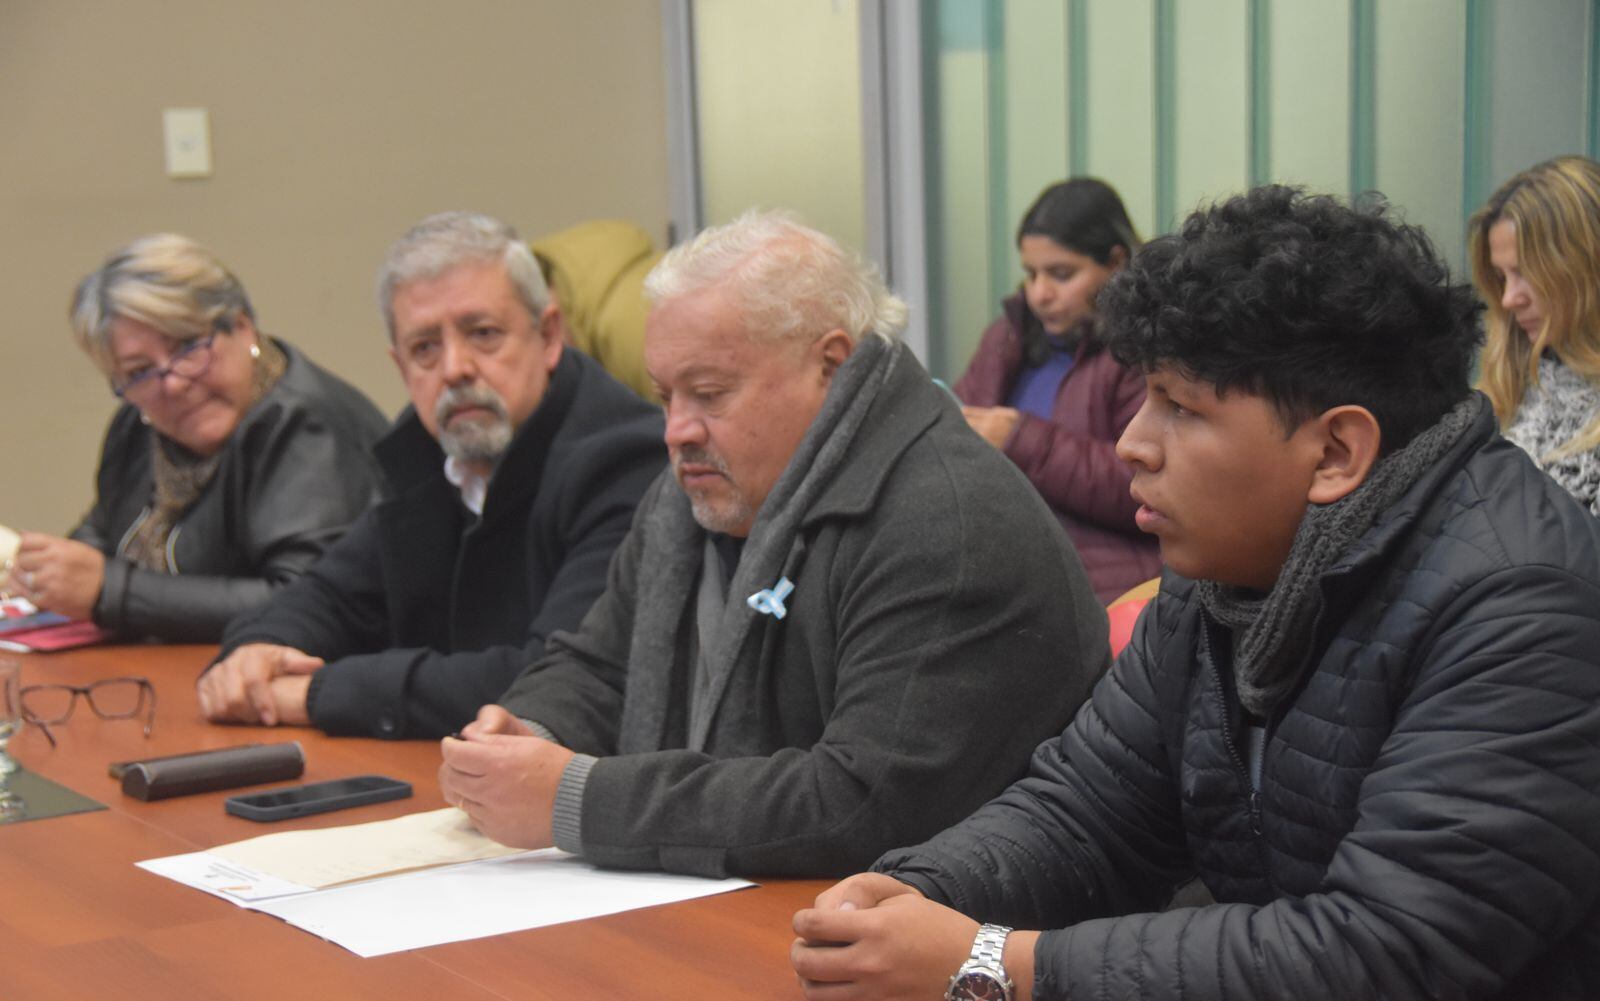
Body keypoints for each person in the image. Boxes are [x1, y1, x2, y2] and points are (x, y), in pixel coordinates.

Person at [791, 186, 1600, 1001]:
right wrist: (911, 896)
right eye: (1144, 398)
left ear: (1336, 453)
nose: (1134, 442)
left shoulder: (1522, 604)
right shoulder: (1229, 571)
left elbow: (1387, 965)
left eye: (1181, 407)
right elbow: (1087, 812)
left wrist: (996, 967)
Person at [437, 210, 1109, 878]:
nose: (676, 430)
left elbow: (860, 803)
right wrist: (532, 730)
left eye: (708, 392)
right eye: (665, 395)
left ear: (831, 365)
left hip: (926, 933)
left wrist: (577, 799)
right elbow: (600, 662)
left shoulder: (947, 520)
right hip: (740, 903)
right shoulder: (689, 496)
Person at [196, 212, 665, 739]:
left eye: (483, 334)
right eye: (425, 348)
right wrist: (256, 653)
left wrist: (316, 693)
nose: (454, 369)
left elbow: (552, 679)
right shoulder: (429, 449)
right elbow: (331, 596)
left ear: (550, 335)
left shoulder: (627, 461)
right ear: (400, 367)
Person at [2, 235, 387, 642]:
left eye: (187, 347)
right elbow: (105, 532)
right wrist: (48, 570)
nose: (172, 383)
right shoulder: (139, 424)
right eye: (138, 371)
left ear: (242, 328)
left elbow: (307, 602)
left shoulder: (311, 426)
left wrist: (110, 591)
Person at [954, 177, 1158, 603]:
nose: (1039, 294)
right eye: (1030, 274)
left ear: (1116, 262)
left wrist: (1019, 439)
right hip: (1003, 580)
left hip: (1106, 591)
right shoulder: (1006, 340)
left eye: (1061, 274)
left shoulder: (1140, 352)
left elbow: (1148, 483)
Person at [1470, 154, 1600, 514]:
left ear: (1586, 267)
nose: (1510, 298)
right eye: (1502, 277)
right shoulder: (1506, 386)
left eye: (1526, 271)